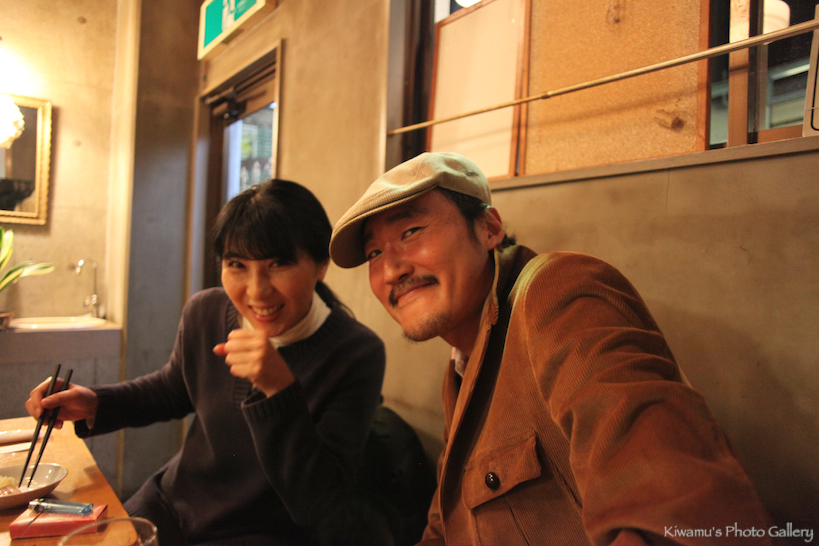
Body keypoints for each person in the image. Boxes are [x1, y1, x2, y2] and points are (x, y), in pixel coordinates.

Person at [328, 152, 778, 546]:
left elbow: (673, 503)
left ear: (488, 228)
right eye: (374, 254)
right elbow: (447, 526)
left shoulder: (555, 293)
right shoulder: (462, 365)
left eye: (411, 231)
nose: (392, 270)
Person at [26, 180, 387, 546]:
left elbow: (320, 504)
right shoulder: (206, 312)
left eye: (279, 263)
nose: (257, 290)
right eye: (237, 265)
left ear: (321, 265)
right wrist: (95, 402)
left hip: (258, 534)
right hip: (170, 506)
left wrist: (279, 390)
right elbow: (172, 389)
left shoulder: (356, 353)